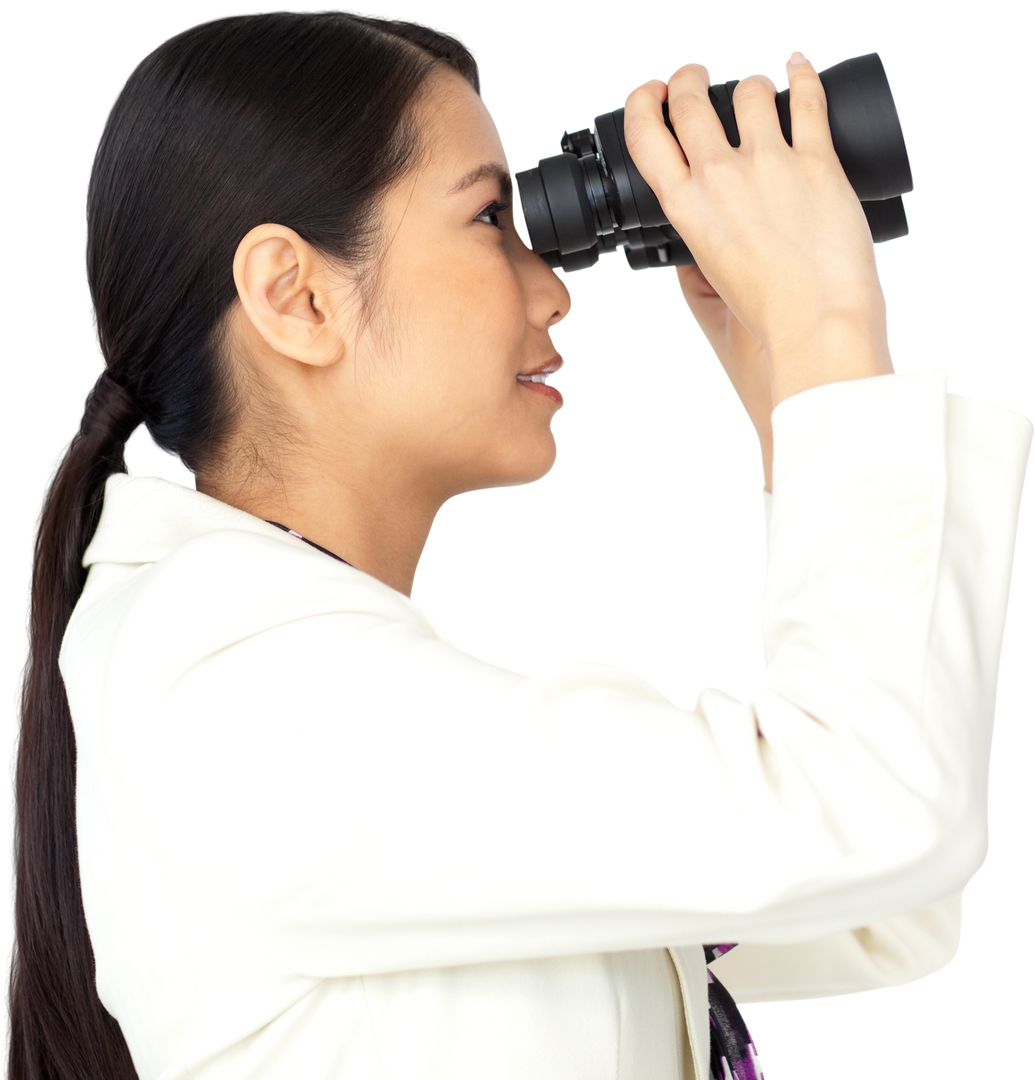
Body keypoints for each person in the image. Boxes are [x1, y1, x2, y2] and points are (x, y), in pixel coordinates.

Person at [7, 9, 1032, 1080]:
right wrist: (827, 329)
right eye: (492, 218)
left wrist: (792, 390)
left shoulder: (293, 677)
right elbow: (869, 815)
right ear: (295, 296)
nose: (552, 290)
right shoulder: (229, 681)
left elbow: (882, 897)